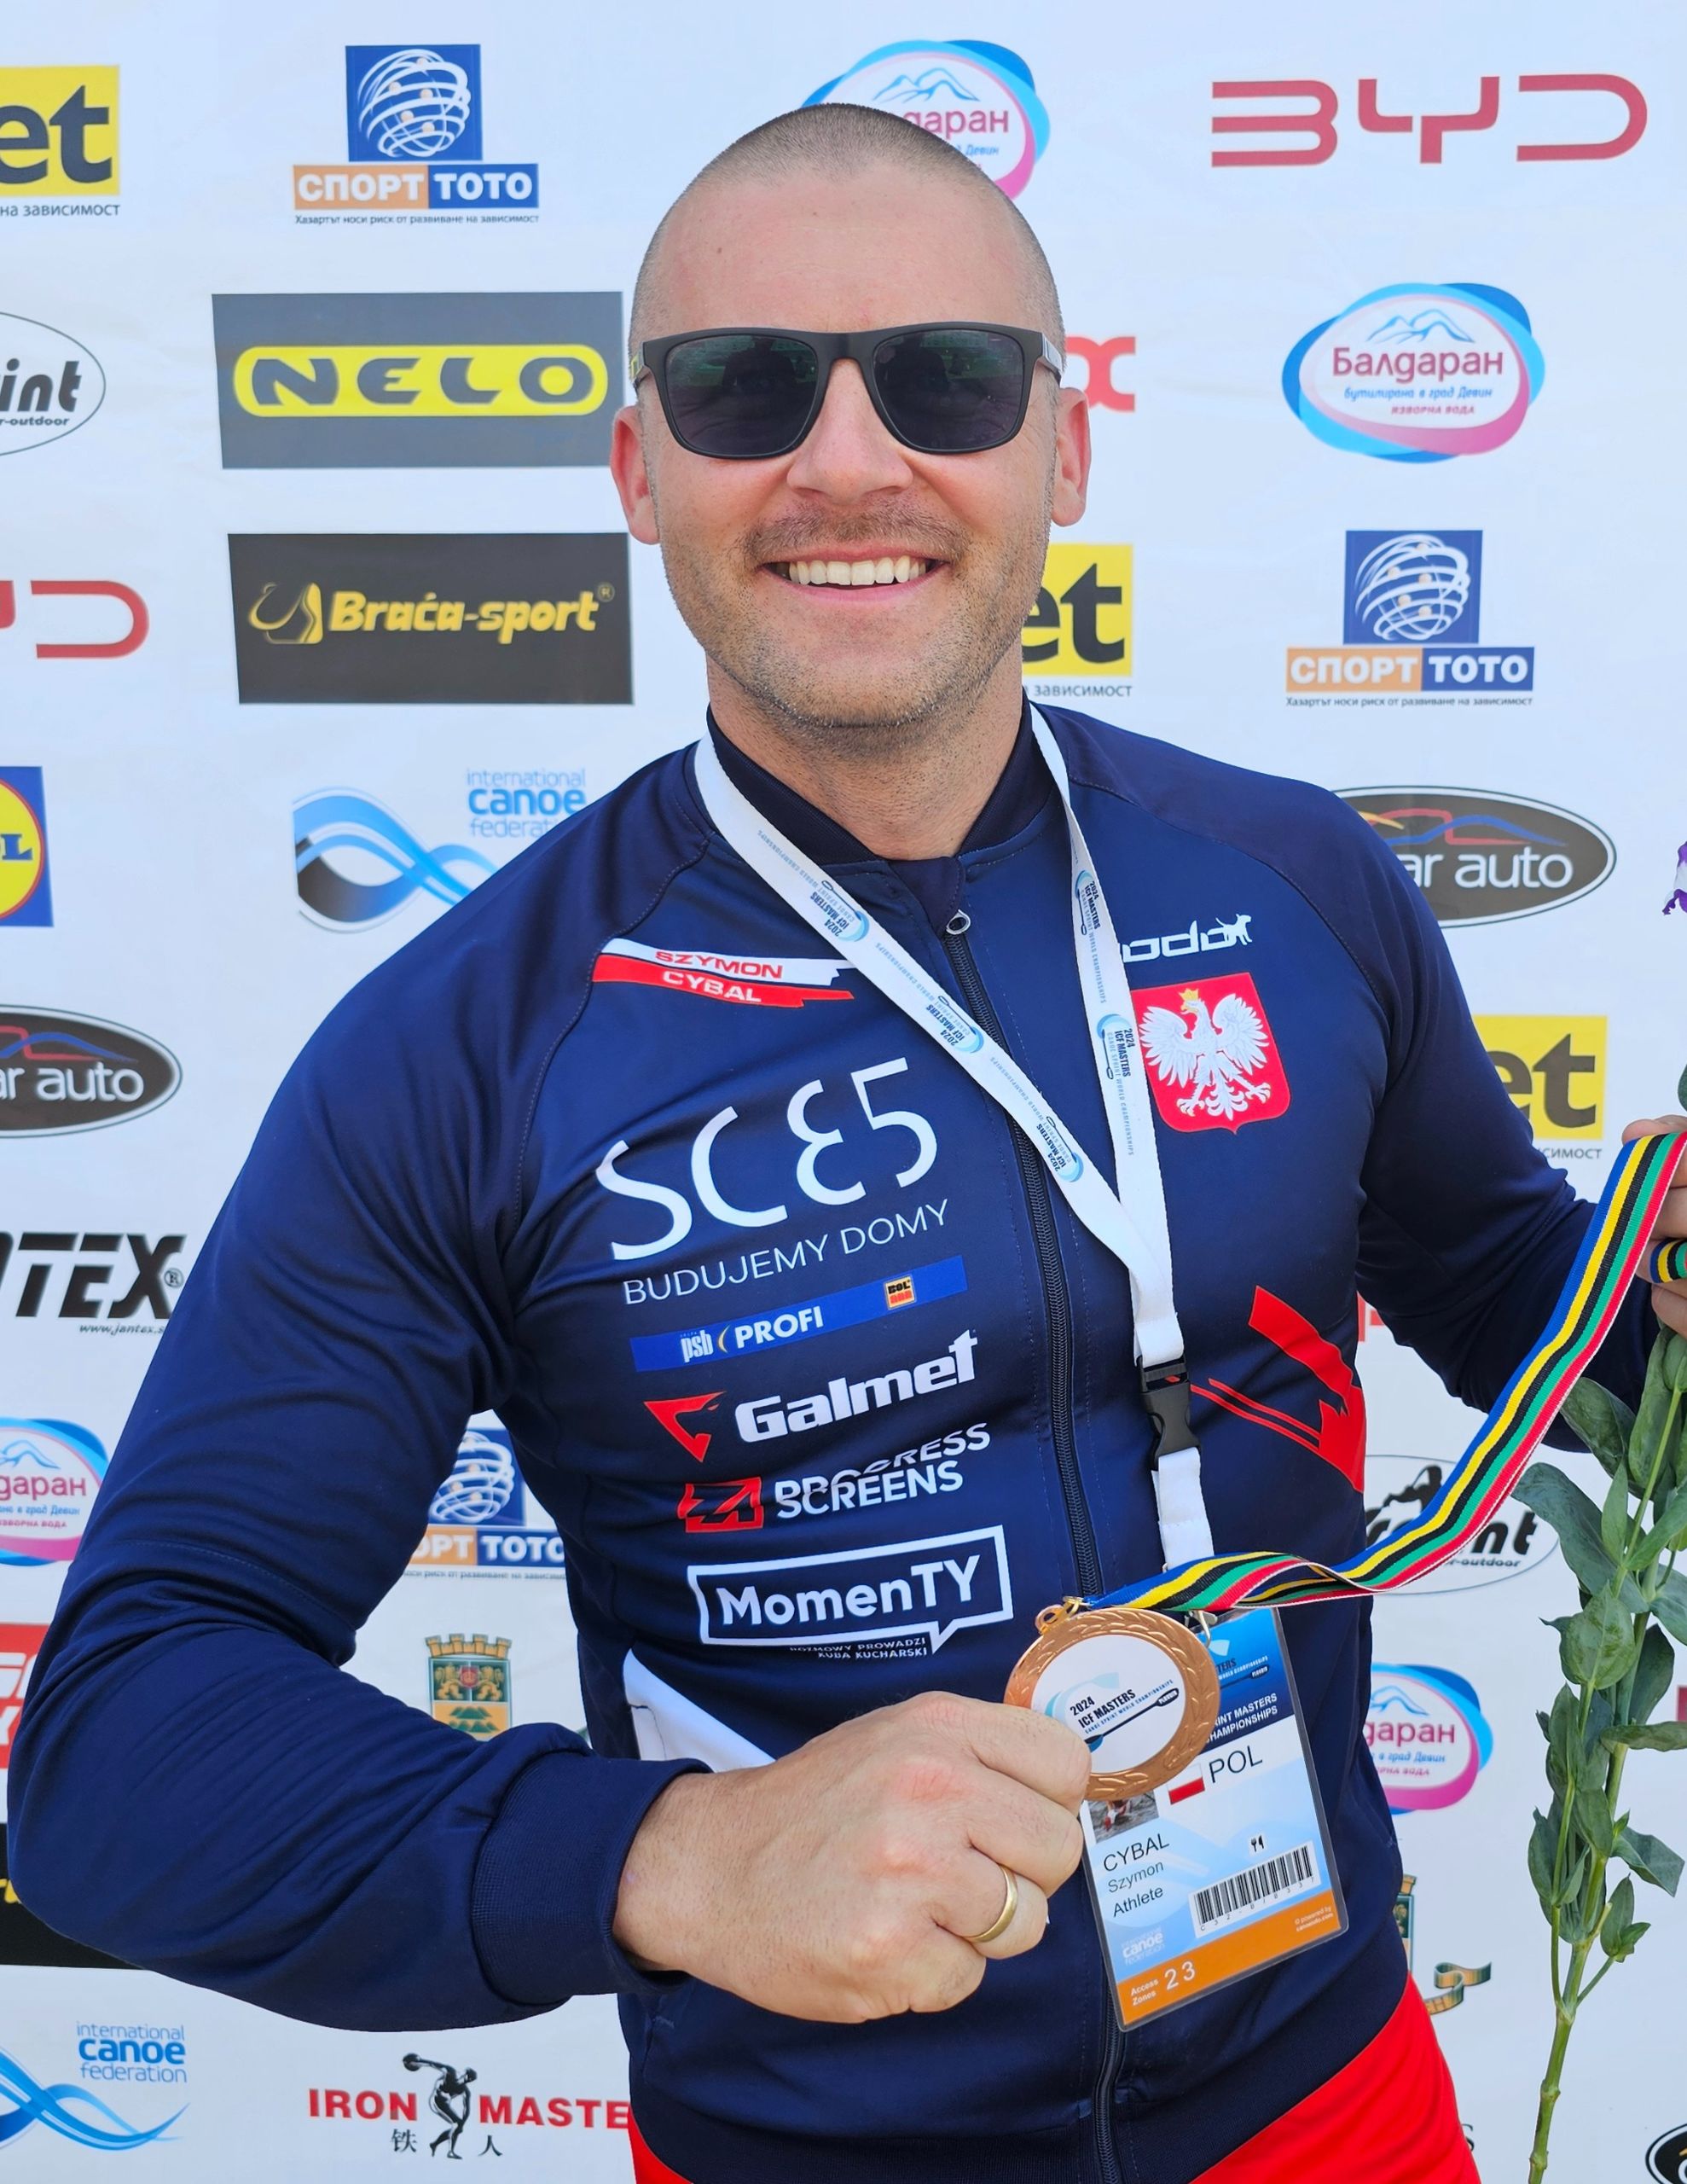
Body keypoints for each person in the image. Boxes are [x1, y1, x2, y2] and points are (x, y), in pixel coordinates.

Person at [13, 104, 1685, 2184]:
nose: (843, 462)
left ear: (1062, 448)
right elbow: (123, 1742)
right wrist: (676, 1855)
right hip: (807, 2144)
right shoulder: (463, 1049)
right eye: (741, 388)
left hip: (1329, 2094)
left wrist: (1657, 1304)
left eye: (942, 378)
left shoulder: (1292, 883)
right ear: (638, 470)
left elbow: (1521, 1300)